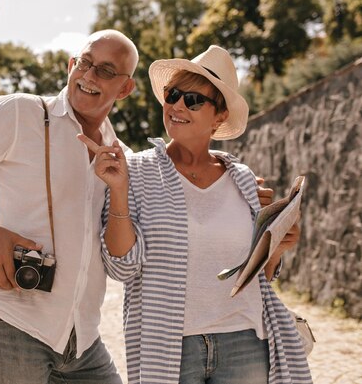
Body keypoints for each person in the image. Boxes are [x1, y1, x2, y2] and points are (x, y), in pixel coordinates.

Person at [79, 45, 312, 384]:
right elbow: (122, 266)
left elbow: (257, 272)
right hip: (168, 346)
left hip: (245, 339)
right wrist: (118, 191)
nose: (177, 106)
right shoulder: (136, 171)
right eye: (173, 95)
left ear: (219, 117)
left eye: (193, 100)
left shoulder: (243, 179)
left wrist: (277, 248)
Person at [0, 29, 139, 384]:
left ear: (125, 88)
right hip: (9, 320)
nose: (89, 76)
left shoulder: (122, 158)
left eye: (106, 71)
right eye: (84, 63)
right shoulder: (21, 112)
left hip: (81, 336)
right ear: (71, 65)